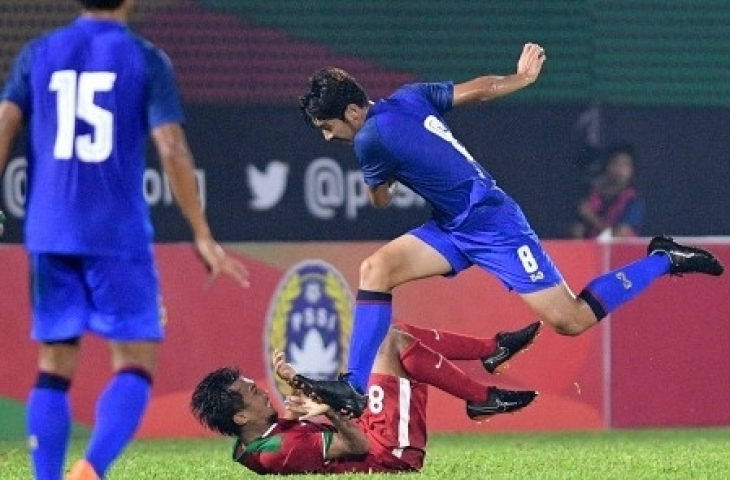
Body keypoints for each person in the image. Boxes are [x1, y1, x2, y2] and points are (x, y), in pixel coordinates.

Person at [294, 43, 724, 416]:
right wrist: (521, 77)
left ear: (353, 111)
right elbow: (479, 89)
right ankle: (352, 385)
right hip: (453, 224)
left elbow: (381, 200)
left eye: (329, 128)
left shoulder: (369, 140)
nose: (330, 138)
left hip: (492, 223)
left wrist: (378, 179)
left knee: (570, 319)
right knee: (376, 269)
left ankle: (663, 258)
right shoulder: (408, 97)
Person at [0, 1, 249, 479]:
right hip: (116, 233)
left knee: (54, 365)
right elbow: (172, 146)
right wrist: (202, 233)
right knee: (134, 362)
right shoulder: (144, 57)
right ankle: (92, 468)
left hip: (50, 230)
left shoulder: (38, 52)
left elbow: (7, 123)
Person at [191, 321, 542, 475]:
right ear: (239, 417)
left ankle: (491, 352)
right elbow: (356, 446)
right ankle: (482, 394)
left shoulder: (254, 442)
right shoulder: (278, 451)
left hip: (373, 432)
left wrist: (304, 397)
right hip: (388, 453)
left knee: (394, 334)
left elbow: (304, 433)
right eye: (252, 392)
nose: (262, 390)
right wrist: (329, 411)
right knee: (394, 342)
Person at [569, 144, 645, 239]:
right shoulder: (591, 194)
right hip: (590, 250)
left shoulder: (634, 201)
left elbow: (618, 236)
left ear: (632, 170)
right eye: (615, 163)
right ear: (606, 166)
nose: (619, 169)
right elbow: (577, 229)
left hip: (622, 252)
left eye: (625, 165)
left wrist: (591, 217)